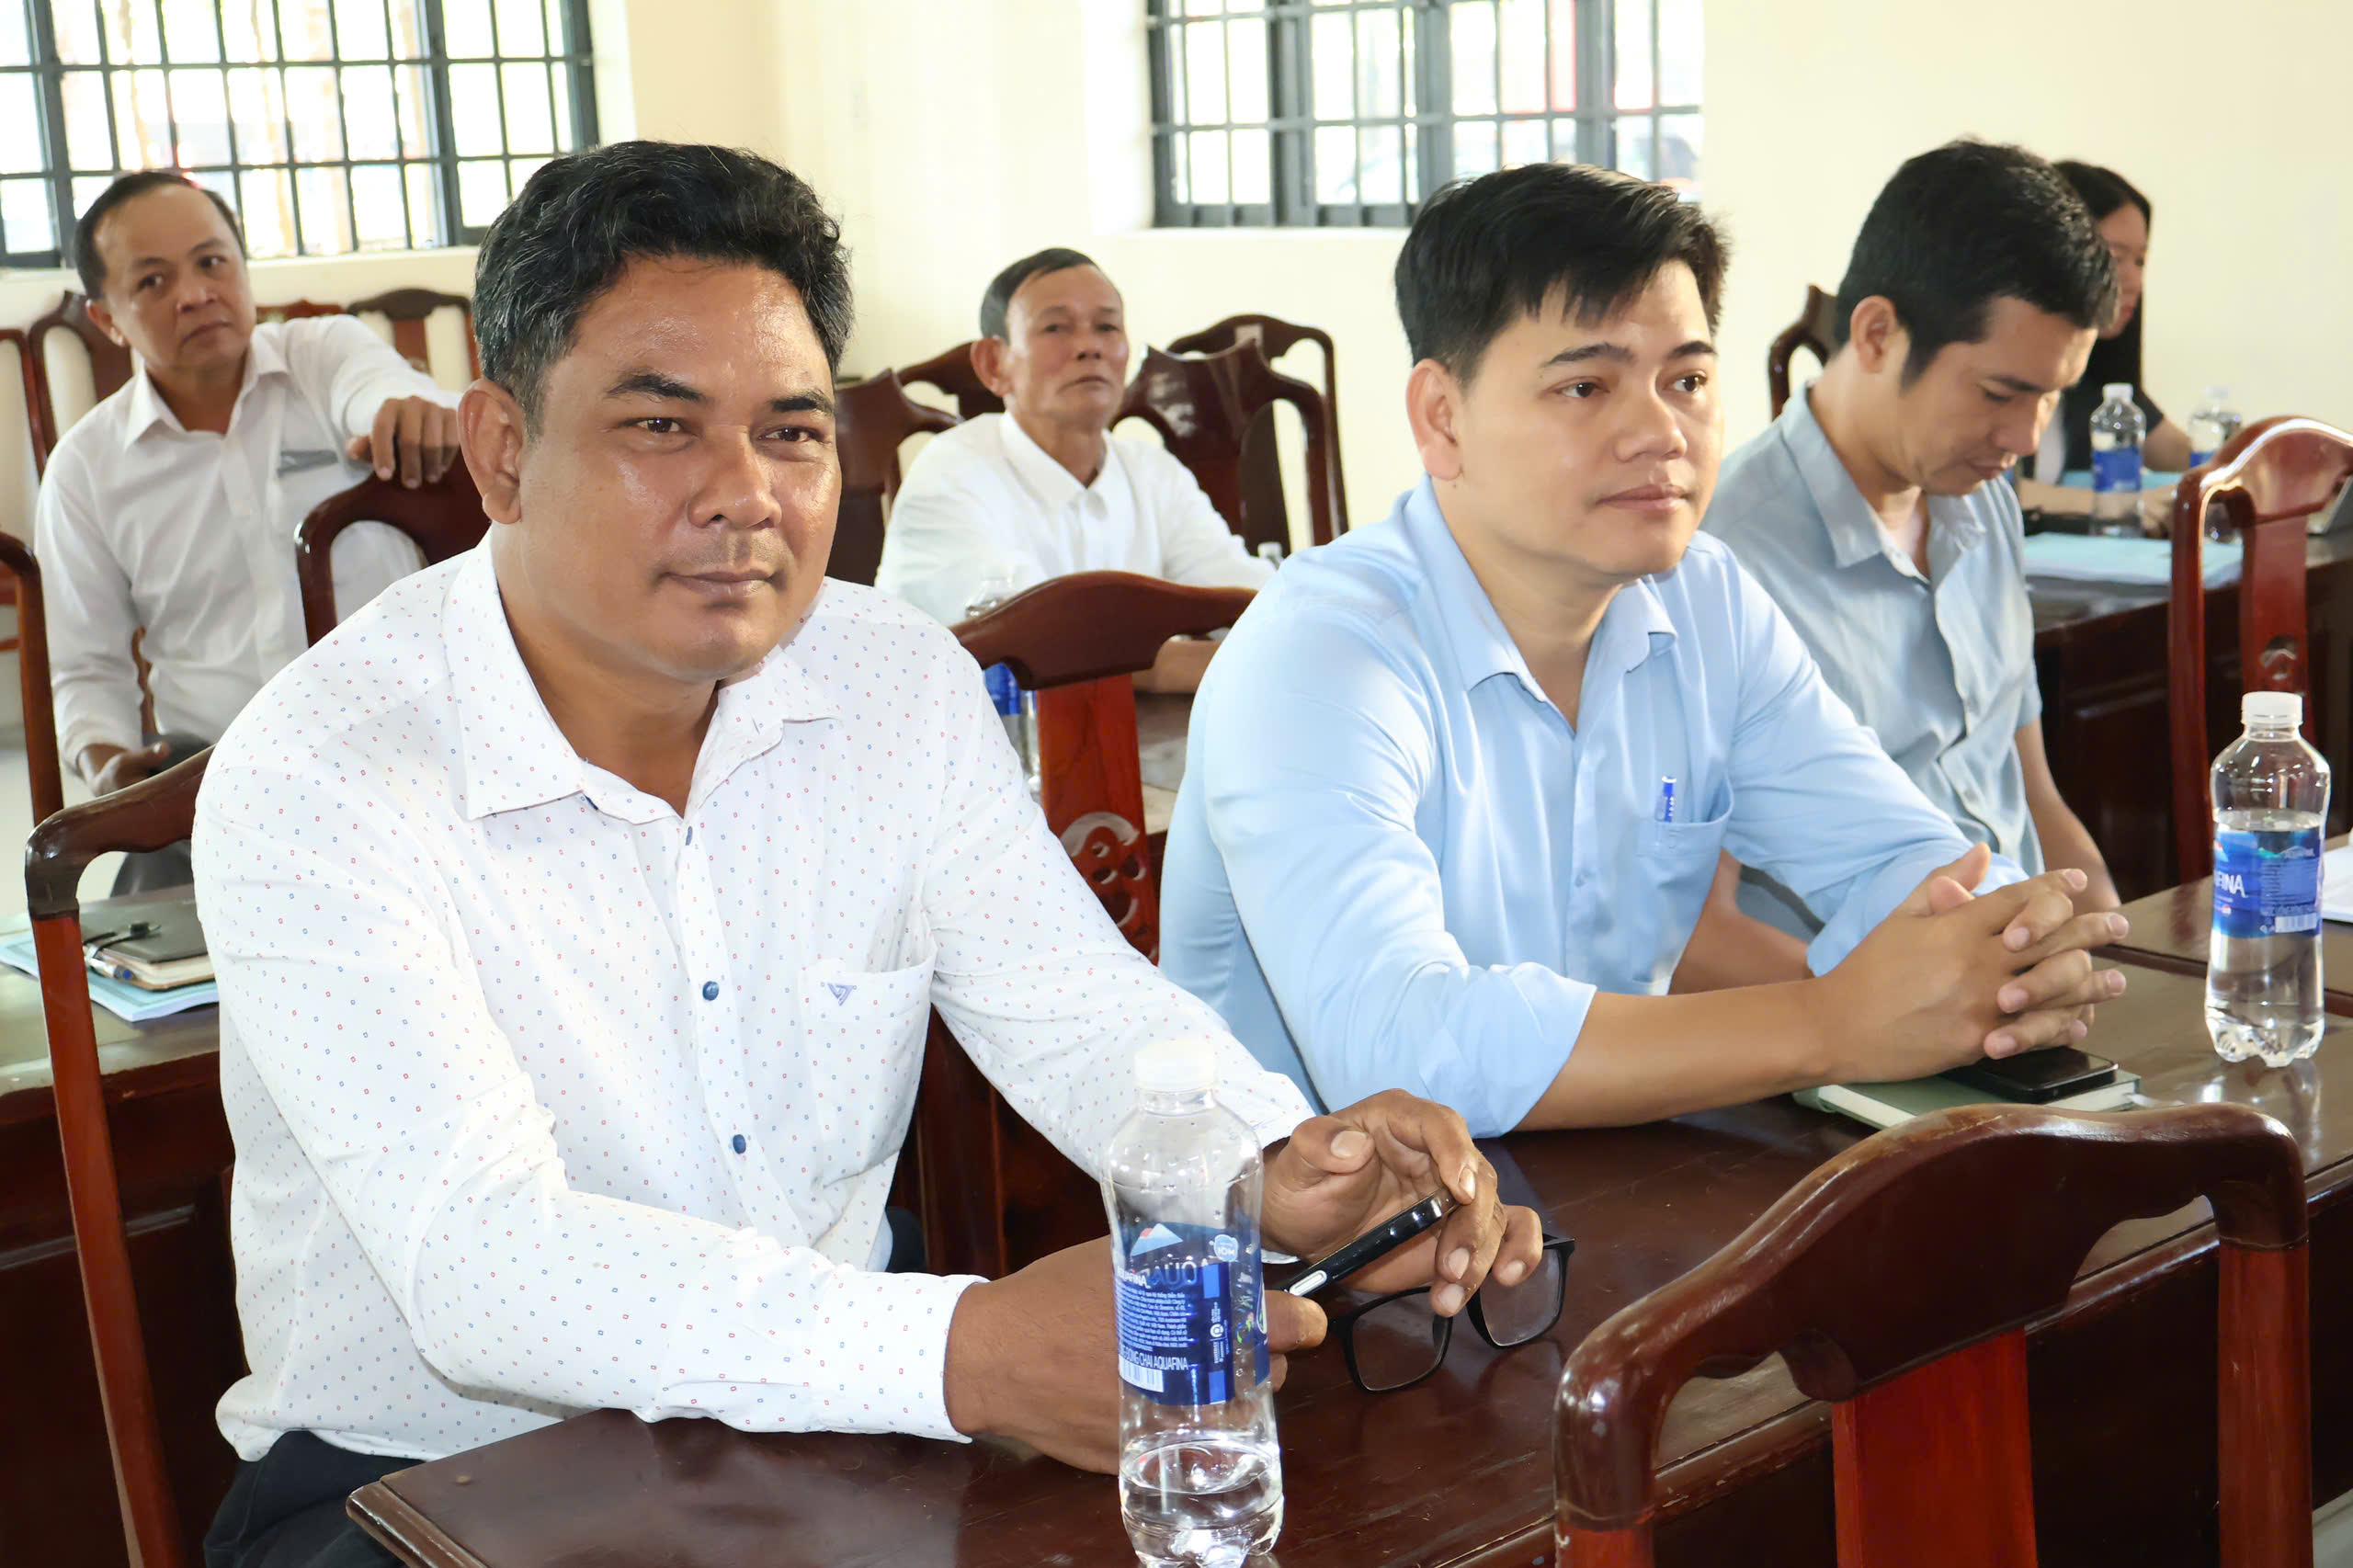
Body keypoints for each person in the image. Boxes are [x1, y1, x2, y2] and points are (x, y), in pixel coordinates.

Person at [192, 142, 1540, 1568]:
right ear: (503, 451)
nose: (744, 494)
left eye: (792, 432)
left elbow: (1072, 1002)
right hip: (429, 1487)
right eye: (662, 426)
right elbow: (483, 1260)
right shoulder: (322, 772)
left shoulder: (890, 680)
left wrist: (1271, 1158)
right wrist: (966, 1352)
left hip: (830, 1435)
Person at [1157, 163, 2126, 1138]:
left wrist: (2014, 937)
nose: (1661, 431)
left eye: (1688, 381)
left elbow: (1900, 856)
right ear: (1441, 417)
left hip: (1606, 1170)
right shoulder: (1319, 656)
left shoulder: (1705, 602)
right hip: (1315, 1222)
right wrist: (1829, 1022)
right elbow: (1399, 1044)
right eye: (1585, 386)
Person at [1706, 140, 2123, 945]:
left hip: (2018, 976)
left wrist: (2114, 944)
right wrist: (1896, 1005)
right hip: (1855, 1002)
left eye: (2051, 398)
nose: (2025, 437)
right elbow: (1700, 935)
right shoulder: (1723, 561)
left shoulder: (1983, 504)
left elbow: (2033, 796)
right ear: (1875, 334)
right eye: (2000, 393)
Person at [33, 171, 459, 888]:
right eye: (153, 281)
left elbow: (380, 390)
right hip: (213, 780)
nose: (195, 294)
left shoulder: (323, 354)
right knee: (141, 926)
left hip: (400, 746)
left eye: (211, 262)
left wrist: (405, 409)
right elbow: (86, 667)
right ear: (107, 319)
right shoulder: (86, 470)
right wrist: (106, 763)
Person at [873, 247, 1270, 691]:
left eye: (1107, 327)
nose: (1089, 347)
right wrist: (1215, 665)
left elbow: (1255, 603)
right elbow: (1029, 646)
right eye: (1055, 328)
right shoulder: (949, 475)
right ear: (993, 363)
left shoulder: (1153, 473)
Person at [2015, 161, 2191, 527]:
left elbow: (2178, 452)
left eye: (2140, 261)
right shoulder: (1999, 365)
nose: (2133, 280)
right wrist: (2115, 505)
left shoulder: (2101, 378)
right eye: (2114, 257)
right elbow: (1986, 492)